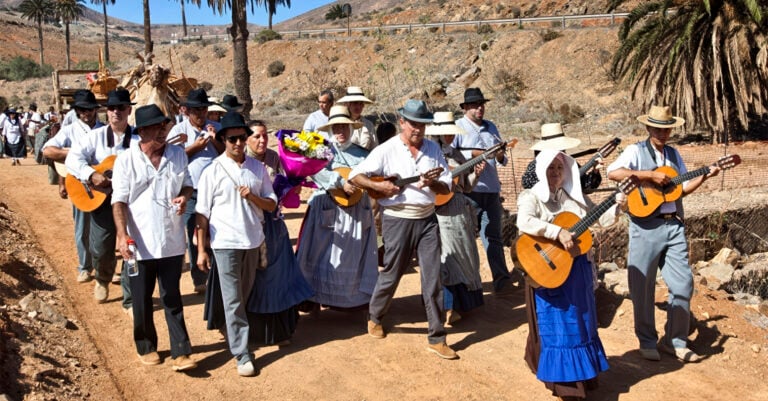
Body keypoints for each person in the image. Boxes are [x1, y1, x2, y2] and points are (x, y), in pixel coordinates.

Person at [607, 105, 719, 363]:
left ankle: (675, 341)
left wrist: (705, 176)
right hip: (645, 226)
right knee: (642, 287)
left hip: (673, 225)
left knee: (683, 284)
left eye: (667, 128)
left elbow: (680, 190)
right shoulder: (635, 151)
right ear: (648, 127)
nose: (663, 133)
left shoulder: (674, 154)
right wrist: (649, 175)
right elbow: (613, 173)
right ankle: (647, 340)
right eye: (658, 128)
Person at [349, 99, 457, 360]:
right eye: (413, 124)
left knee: (433, 278)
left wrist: (433, 185)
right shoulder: (387, 150)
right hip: (397, 219)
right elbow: (355, 176)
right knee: (393, 272)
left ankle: (437, 336)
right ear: (402, 122)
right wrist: (383, 188)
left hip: (428, 219)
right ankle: (375, 315)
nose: (417, 129)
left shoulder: (434, 150)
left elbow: (446, 187)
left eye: (422, 124)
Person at [517, 150, 623, 400]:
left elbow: (602, 219)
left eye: (559, 168)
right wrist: (556, 232)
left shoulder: (573, 197)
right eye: (550, 168)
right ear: (541, 170)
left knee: (582, 321)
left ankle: (583, 376)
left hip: (578, 270)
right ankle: (566, 385)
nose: (555, 173)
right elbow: (524, 221)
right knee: (561, 326)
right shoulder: (531, 197)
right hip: (551, 271)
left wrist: (619, 205)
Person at [205, 118, 313, 347]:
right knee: (253, 282)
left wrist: (293, 188)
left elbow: (281, 190)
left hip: (274, 225)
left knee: (281, 277)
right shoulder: (241, 162)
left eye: (265, 135)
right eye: (255, 136)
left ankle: (280, 330)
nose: (262, 140)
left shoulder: (275, 158)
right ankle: (245, 331)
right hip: (247, 228)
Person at [111, 104, 197, 371]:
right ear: (143, 131)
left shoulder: (177, 155)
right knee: (142, 298)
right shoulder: (126, 160)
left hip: (170, 240)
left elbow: (188, 183)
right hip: (139, 243)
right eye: (157, 127)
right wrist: (122, 234)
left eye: (165, 126)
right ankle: (146, 346)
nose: (163, 131)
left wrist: (185, 195)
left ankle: (181, 351)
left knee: (172, 296)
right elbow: (119, 201)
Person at [195, 111, 278, 377]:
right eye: (232, 139)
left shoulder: (257, 169)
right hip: (225, 243)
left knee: (244, 293)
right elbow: (202, 213)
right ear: (223, 139)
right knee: (233, 299)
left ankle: (230, 330)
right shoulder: (212, 171)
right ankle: (242, 353)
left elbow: (271, 203)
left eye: (242, 138)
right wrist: (201, 249)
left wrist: (254, 198)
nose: (238, 143)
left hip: (253, 241)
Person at [296, 105, 379, 310]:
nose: (340, 131)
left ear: (351, 129)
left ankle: (348, 300)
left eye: (344, 127)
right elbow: (314, 171)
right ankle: (312, 297)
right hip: (326, 207)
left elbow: (371, 177)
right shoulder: (321, 151)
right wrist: (339, 182)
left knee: (351, 255)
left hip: (355, 211)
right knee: (320, 252)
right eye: (336, 127)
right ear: (331, 129)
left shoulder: (363, 155)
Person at [65, 88, 138, 303]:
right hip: (102, 199)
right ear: (106, 111)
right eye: (112, 108)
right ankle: (103, 279)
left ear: (128, 110)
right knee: (101, 245)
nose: (116, 112)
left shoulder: (138, 139)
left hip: (131, 200)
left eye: (121, 108)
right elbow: (73, 160)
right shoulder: (94, 137)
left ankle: (130, 295)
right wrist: (91, 174)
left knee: (131, 245)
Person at [452, 87, 515, 294]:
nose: (480, 108)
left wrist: (498, 154)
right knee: (468, 239)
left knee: (494, 236)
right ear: (465, 108)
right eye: (475, 105)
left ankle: (501, 281)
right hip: (468, 189)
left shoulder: (491, 127)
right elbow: (450, 154)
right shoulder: (458, 127)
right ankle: (472, 284)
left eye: (482, 104)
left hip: (491, 189)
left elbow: (502, 157)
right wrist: (475, 153)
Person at [427, 112, 485, 325]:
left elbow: (466, 186)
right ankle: (448, 306)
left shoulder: (458, 156)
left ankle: (463, 304)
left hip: (459, 209)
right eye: (446, 133)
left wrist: (476, 173)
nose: (450, 136)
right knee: (445, 255)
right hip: (438, 210)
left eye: (452, 132)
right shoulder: (429, 155)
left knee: (464, 255)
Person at [42, 89, 103, 284]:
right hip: (80, 185)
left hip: (104, 185)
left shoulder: (104, 129)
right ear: (77, 111)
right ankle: (85, 267)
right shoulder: (69, 131)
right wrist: (73, 154)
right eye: (82, 110)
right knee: (82, 228)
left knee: (103, 229)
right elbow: (48, 150)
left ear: (95, 110)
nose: (86, 113)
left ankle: (104, 268)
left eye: (89, 109)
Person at [166, 88, 224, 294]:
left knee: (216, 230)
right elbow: (171, 157)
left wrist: (215, 138)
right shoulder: (178, 131)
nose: (200, 113)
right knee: (194, 231)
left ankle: (217, 274)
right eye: (196, 110)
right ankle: (199, 278)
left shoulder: (217, 127)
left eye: (203, 109)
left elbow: (228, 153)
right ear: (187, 111)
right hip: (192, 190)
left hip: (217, 190)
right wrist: (194, 147)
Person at [521, 123, 602, 193]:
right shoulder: (536, 165)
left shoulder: (569, 162)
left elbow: (585, 185)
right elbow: (528, 184)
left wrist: (595, 171)